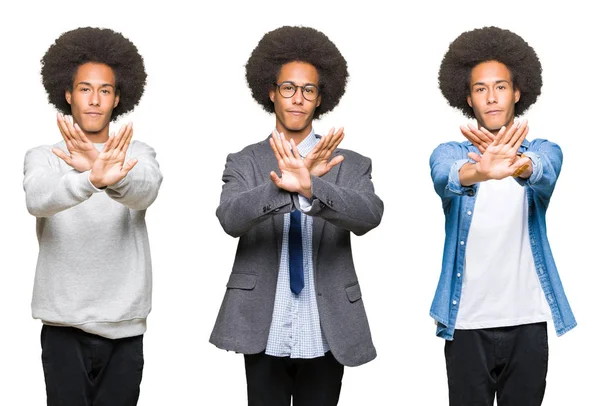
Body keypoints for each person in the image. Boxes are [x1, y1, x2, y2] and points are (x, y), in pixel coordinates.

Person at [210, 25, 384, 406]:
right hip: (263, 323)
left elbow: (369, 214)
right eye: (288, 88)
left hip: (326, 325)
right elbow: (230, 219)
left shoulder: (349, 162)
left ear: (320, 98)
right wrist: (285, 185)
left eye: (308, 90)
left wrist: (312, 187)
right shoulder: (244, 161)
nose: (297, 99)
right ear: (271, 92)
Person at [429, 26, 577, 405]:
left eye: (500, 87)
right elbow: (446, 177)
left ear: (516, 92)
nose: (491, 97)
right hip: (465, 324)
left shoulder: (544, 149)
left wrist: (518, 165)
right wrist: (482, 170)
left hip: (527, 322)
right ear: (469, 98)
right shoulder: (448, 151)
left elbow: (544, 170)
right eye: (481, 89)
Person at [23, 27, 163, 406]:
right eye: (85, 89)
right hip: (63, 324)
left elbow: (144, 191)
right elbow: (38, 199)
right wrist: (89, 178)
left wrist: (109, 175)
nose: (95, 100)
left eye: (104, 90)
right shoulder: (43, 156)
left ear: (118, 98)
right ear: (67, 94)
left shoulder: (138, 153)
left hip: (125, 326)